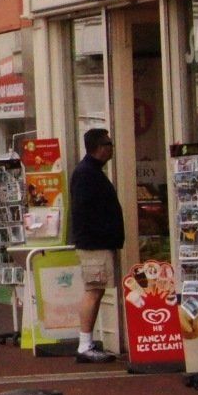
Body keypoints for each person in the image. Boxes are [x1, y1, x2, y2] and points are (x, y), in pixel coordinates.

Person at [68, 128, 122, 363]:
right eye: (109, 144)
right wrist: (101, 232)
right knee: (94, 290)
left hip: (97, 241)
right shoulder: (87, 174)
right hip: (94, 243)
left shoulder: (91, 172)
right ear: (100, 147)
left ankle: (86, 342)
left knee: (96, 290)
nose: (111, 149)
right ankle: (85, 343)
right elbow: (85, 209)